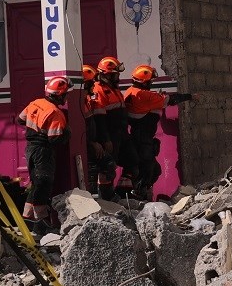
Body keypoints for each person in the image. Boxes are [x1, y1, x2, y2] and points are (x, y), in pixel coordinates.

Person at [124, 65, 192, 200]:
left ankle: (140, 194)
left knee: (154, 170)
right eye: (150, 81)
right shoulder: (143, 95)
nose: (151, 83)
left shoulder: (130, 91)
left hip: (138, 136)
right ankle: (139, 197)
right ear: (144, 82)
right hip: (143, 137)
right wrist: (190, 96)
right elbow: (170, 100)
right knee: (148, 169)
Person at [18, 77, 70, 232]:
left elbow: (20, 120)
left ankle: (28, 219)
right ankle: (40, 222)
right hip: (43, 151)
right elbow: (55, 139)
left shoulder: (36, 103)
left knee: (36, 184)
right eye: (65, 94)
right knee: (44, 183)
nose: (66, 97)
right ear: (59, 95)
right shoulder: (55, 113)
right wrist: (67, 132)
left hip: (31, 149)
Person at [93, 57, 134, 192]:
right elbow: (100, 119)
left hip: (121, 133)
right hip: (111, 135)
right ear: (107, 75)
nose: (118, 76)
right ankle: (106, 197)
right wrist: (106, 140)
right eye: (115, 74)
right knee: (108, 167)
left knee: (133, 159)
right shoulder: (98, 90)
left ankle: (123, 193)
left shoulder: (113, 89)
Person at [82, 65, 116, 199]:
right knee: (92, 173)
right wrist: (91, 143)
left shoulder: (86, 100)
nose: (94, 85)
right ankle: (94, 201)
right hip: (87, 145)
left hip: (93, 143)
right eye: (91, 83)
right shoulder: (78, 102)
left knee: (108, 164)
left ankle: (106, 198)